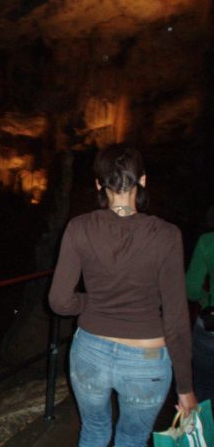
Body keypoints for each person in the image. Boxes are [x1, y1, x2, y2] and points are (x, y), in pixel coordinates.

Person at [48, 143, 197, 447]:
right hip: (146, 361)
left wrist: (88, 301)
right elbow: (176, 318)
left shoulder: (79, 227)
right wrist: (185, 387)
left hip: (90, 351)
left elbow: (60, 302)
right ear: (142, 180)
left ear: (99, 184)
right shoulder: (167, 235)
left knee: (93, 431)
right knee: (131, 439)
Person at [185, 207, 214, 402]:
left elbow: (192, 289)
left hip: (211, 325)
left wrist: (206, 299)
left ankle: (204, 420)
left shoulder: (208, 241)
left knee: (204, 386)